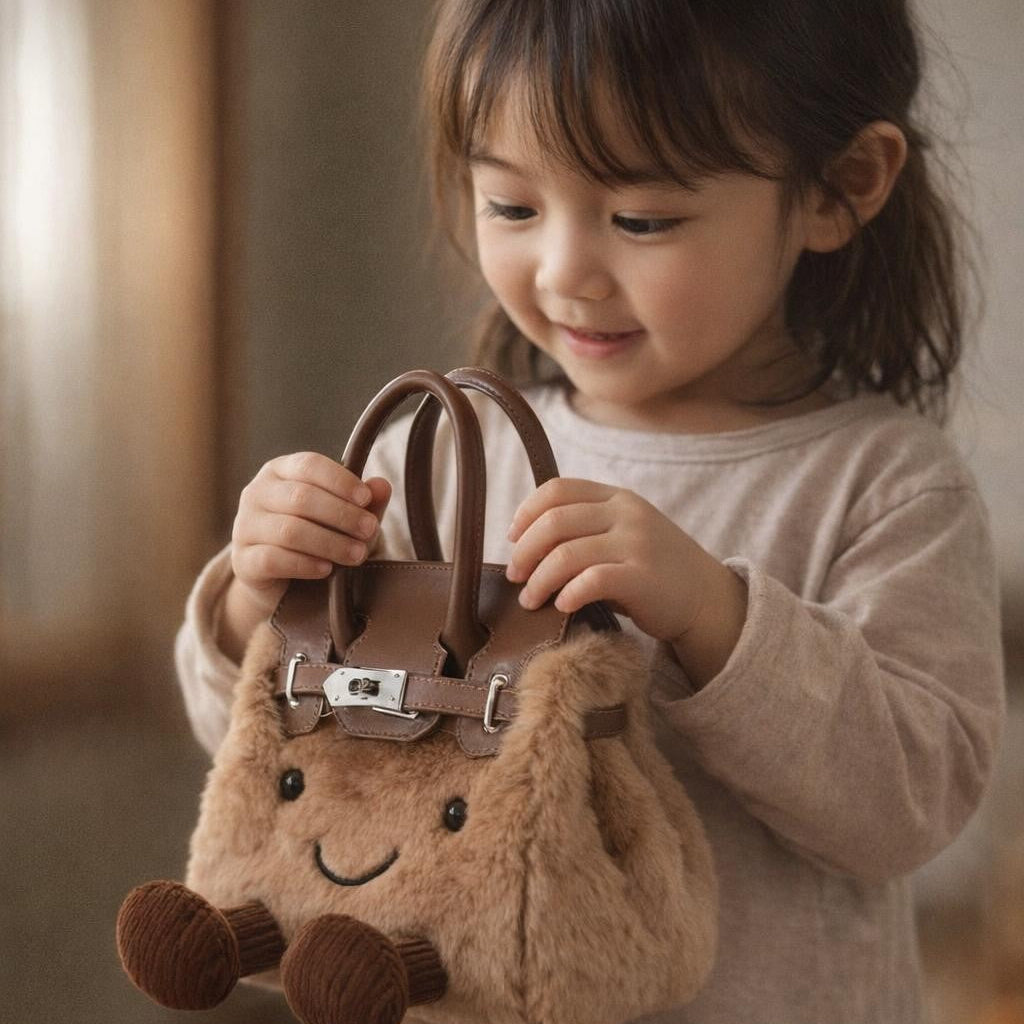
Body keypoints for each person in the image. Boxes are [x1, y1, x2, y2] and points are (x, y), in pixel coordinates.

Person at [176, 1, 1005, 1021]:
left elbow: (906, 810)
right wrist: (258, 597)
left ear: (841, 185)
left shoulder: (884, 485)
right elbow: (271, 753)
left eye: (641, 219)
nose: (564, 269)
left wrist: (715, 616)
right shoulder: (442, 460)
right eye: (511, 206)